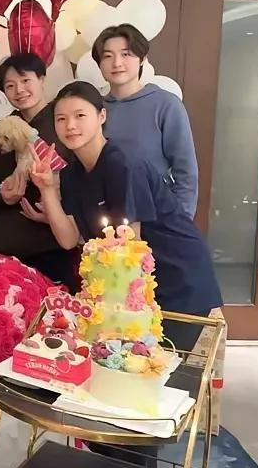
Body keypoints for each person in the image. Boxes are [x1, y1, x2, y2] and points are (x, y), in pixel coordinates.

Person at [32, 81, 222, 352]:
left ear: (102, 116)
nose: (70, 125)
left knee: (158, 368)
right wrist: (47, 189)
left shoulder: (124, 162)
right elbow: (68, 238)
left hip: (177, 279)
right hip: (129, 288)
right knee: (124, 368)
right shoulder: (72, 173)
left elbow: (132, 244)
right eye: (61, 119)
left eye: (80, 115)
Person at [0, 53, 78, 290]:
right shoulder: (2, 129)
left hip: (52, 247)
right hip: (6, 249)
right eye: (10, 86)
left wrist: (57, 215)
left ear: (42, 79)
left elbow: (83, 184)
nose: (19, 90)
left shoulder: (65, 124)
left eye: (25, 80)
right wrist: (2, 196)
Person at [94, 24, 199, 218]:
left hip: (157, 214)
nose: (117, 63)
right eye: (107, 56)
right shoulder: (94, 109)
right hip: (107, 218)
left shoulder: (166, 105)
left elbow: (186, 172)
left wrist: (182, 222)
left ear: (142, 59)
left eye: (126, 54)